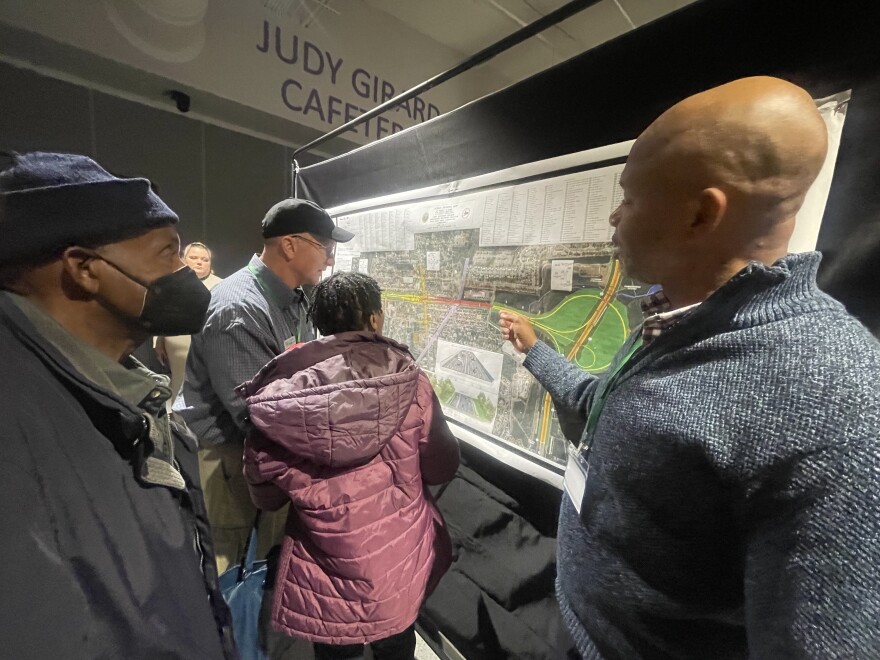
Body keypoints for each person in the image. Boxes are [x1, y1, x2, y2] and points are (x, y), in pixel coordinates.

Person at [500, 77, 880, 659]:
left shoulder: (834, 396)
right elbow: (605, 407)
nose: (613, 217)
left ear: (702, 214)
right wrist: (535, 352)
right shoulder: (673, 320)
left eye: (628, 198)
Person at [0, 151, 235, 659]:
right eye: (166, 253)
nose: (184, 275)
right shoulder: (16, 423)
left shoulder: (114, 388)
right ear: (84, 269)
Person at [237, 272, 460, 660]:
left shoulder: (280, 395)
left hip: (321, 571)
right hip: (397, 563)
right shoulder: (412, 383)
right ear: (374, 319)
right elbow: (442, 467)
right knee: (396, 647)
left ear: (319, 323)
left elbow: (267, 496)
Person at [175, 198, 353, 573]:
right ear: (290, 245)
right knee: (231, 573)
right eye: (326, 248)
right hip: (229, 462)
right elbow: (258, 413)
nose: (331, 260)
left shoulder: (295, 298)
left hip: (275, 455)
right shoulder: (239, 308)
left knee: (264, 565)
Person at [155, 241, 223, 403]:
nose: (199, 262)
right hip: (176, 342)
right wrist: (158, 341)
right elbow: (161, 312)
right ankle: (176, 417)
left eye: (205, 259)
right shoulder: (171, 282)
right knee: (179, 381)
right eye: (194, 257)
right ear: (184, 259)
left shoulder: (222, 285)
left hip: (210, 342)